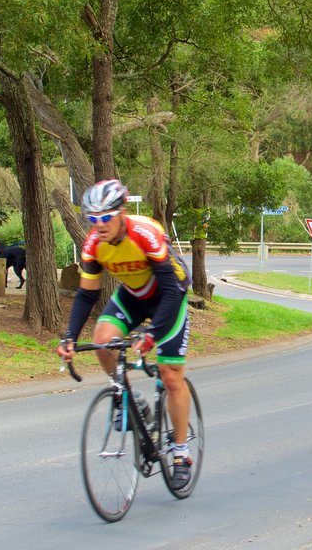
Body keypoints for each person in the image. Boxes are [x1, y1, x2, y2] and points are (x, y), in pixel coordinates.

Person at [56, 179, 194, 489]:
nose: (99, 224)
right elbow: (86, 296)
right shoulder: (93, 245)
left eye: (105, 217)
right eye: (92, 218)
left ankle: (181, 453)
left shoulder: (145, 233)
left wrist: (151, 333)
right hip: (134, 295)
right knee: (103, 341)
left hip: (169, 294)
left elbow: (171, 292)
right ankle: (129, 398)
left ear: (121, 212)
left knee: (171, 376)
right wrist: (69, 337)